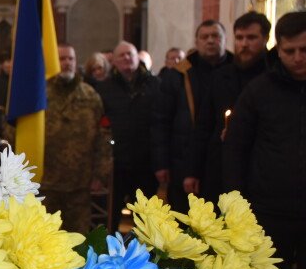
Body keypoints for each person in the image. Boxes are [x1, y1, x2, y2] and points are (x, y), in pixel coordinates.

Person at [223, 11, 306, 269]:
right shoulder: (259, 90)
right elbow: (235, 149)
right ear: (278, 49)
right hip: (269, 211)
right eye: (290, 51)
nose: (298, 58)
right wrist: (237, 206)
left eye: (305, 50)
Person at [185, 12, 272, 203]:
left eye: (251, 38)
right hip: (220, 166)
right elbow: (204, 126)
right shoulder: (220, 76)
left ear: (265, 38)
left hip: (262, 169)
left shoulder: (274, 76)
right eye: (239, 38)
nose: (244, 44)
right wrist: (193, 171)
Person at [153, 20, 233, 212]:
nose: (210, 41)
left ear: (225, 39)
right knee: (185, 217)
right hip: (183, 158)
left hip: (224, 159)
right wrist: (161, 162)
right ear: (196, 42)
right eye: (205, 37)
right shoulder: (178, 74)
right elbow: (161, 120)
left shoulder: (235, 69)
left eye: (216, 36)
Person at [41, 44, 111, 234]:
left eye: (71, 59)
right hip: (46, 181)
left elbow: (103, 137)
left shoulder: (90, 95)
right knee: (47, 238)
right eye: (62, 59)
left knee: (78, 238)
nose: (67, 63)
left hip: (80, 182)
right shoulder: (39, 95)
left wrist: (100, 174)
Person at [96, 41, 161, 233]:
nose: (126, 58)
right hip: (116, 162)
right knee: (111, 217)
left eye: (130, 54)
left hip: (147, 162)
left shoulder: (155, 85)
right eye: (121, 55)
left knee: (147, 219)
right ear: (114, 61)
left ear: (138, 58)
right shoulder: (104, 88)